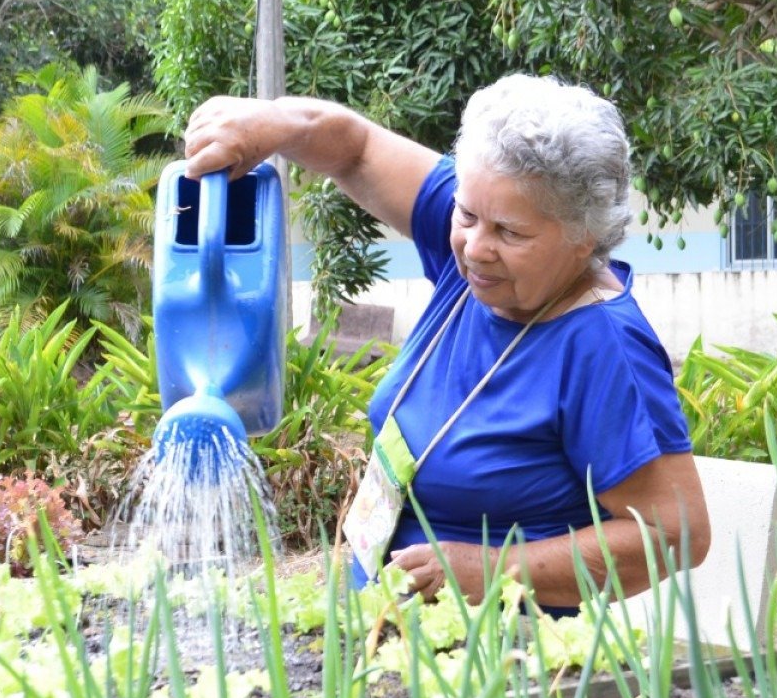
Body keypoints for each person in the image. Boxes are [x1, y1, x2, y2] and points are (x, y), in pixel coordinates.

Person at [182, 73, 709, 609]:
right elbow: (357, 150)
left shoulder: (603, 347)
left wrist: (491, 570)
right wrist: (272, 123)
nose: (475, 247)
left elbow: (672, 533)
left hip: (504, 658)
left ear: (585, 237)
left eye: (509, 232)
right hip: (383, 629)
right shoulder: (479, 257)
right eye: (466, 214)